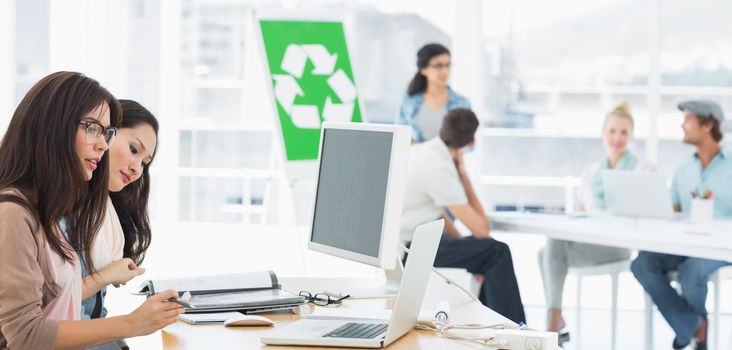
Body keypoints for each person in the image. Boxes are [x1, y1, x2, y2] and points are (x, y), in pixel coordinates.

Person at [0, 71, 181, 349]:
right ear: (53, 126)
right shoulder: (13, 213)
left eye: (106, 133)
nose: (102, 144)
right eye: (92, 128)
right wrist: (132, 323)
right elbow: (26, 335)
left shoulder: (47, 210)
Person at [400, 108, 526, 323]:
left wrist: (472, 256)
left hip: (413, 241)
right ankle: (514, 331)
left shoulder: (423, 151)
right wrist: (464, 176)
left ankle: (492, 328)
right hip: (412, 249)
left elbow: (439, 214)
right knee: (498, 252)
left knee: (487, 252)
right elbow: (481, 229)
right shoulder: (439, 168)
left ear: (441, 129)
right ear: (470, 143)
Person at [537, 102, 646, 343]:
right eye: (612, 131)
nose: (617, 137)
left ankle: (553, 323)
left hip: (618, 245)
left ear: (631, 136)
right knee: (544, 251)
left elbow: (643, 214)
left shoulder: (641, 170)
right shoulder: (591, 172)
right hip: (592, 240)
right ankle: (556, 319)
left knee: (548, 251)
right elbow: (584, 211)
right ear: (602, 134)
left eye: (624, 132)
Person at [631, 99, 731, 350]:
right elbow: (672, 213)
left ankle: (695, 337)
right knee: (642, 263)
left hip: (722, 246)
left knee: (692, 271)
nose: (682, 125)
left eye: (688, 119)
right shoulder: (682, 171)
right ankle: (693, 326)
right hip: (685, 242)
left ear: (708, 125)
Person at [79, 100, 159, 349]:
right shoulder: (64, 205)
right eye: (134, 149)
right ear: (107, 134)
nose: (137, 169)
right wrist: (105, 276)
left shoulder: (103, 210)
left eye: (145, 163)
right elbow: (48, 303)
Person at [398, 43, 470, 142]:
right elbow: (400, 139)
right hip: (417, 157)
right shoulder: (408, 103)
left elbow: (469, 143)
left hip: (448, 158)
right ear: (423, 69)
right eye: (438, 66)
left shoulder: (462, 103)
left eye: (447, 65)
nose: (445, 71)